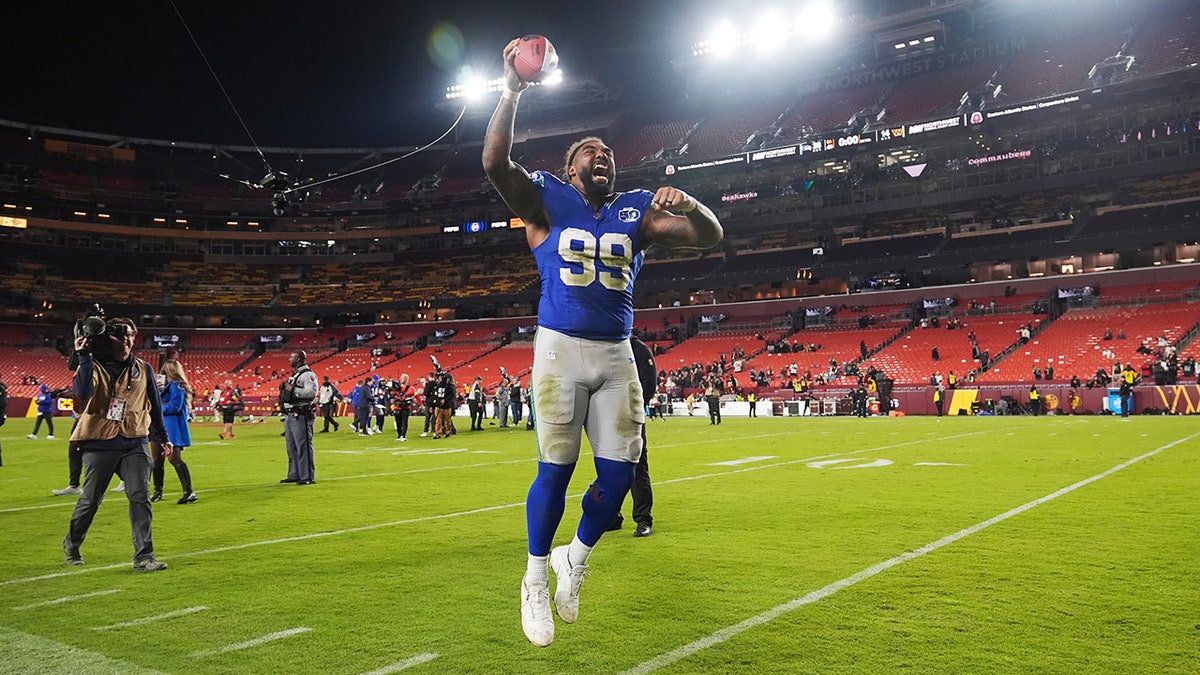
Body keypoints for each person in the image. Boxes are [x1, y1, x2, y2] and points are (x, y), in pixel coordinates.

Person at [483, 37, 723, 648]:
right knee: (557, 469)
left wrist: (689, 200)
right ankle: (534, 577)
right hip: (561, 348)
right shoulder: (545, 200)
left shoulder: (635, 212)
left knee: (619, 478)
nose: (603, 156)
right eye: (591, 151)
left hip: (617, 354)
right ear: (570, 168)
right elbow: (493, 162)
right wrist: (511, 88)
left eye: (609, 151)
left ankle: (575, 559)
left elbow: (708, 238)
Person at [63, 317, 171, 571]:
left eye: (130, 334)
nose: (126, 339)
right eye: (119, 334)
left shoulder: (144, 368)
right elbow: (81, 393)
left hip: (135, 440)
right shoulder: (92, 364)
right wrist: (84, 356)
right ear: (107, 337)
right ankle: (72, 544)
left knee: (140, 496)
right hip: (99, 441)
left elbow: (155, 406)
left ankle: (144, 556)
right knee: (90, 500)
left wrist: (163, 438)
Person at [608, 335, 657, 537]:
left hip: (631, 416)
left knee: (637, 466)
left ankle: (643, 519)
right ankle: (612, 516)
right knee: (609, 467)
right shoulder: (607, 347)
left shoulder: (638, 349)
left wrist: (634, 407)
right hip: (608, 418)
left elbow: (649, 381)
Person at [151, 359, 197, 504]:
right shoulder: (163, 386)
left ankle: (189, 492)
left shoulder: (177, 386)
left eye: (166, 371)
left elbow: (175, 407)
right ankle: (157, 491)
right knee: (157, 460)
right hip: (158, 426)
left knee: (174, 458)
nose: (164, 374)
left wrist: (156, 409)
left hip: (172, 427)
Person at [279, 350, 318, 485]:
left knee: (303, 445)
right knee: (291, 446)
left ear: (300, 359)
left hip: (301, 414)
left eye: (292, 357)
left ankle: (307, 476)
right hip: (291, 414)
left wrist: (293, 390)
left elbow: (311, 392)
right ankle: (295, 474)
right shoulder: (295, 375)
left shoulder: (308, 375)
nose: (289, 359)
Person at [390, 374, 416, 441]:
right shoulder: (396, 387)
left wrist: (421, 405)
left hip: (405, 407)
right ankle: (399, 435)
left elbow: (417, 396)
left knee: (404, 421)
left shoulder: (411, 388)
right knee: (398, 422)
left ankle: (403, 436)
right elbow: (392, 396)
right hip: (397, 407)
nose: (401, 379)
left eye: (403, 378)